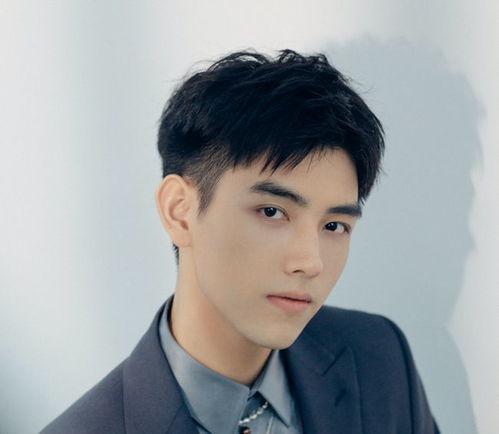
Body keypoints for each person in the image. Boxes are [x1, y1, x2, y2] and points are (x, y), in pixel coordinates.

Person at [41, 49, 440, 434]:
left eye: (334, 225)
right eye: (272, 212)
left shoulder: (379, 360)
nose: (311, 262)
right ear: (179, 211)